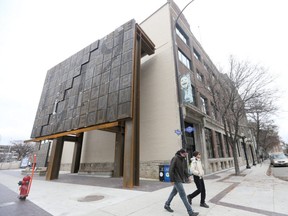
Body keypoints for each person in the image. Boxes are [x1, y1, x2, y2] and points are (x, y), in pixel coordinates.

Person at [164, 148, 199, 216]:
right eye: (185, 154)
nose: (186, 155)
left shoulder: (183, 159)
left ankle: (167, 205)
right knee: (183, 195)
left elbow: (185, 169)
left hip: (180, 179)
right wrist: (172, 180)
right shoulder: (175, 158)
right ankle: (190, 212)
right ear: (181, 153)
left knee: (173, 192)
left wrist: (188, 176)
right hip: (176, 179)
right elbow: (171, 169)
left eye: (186, 153)